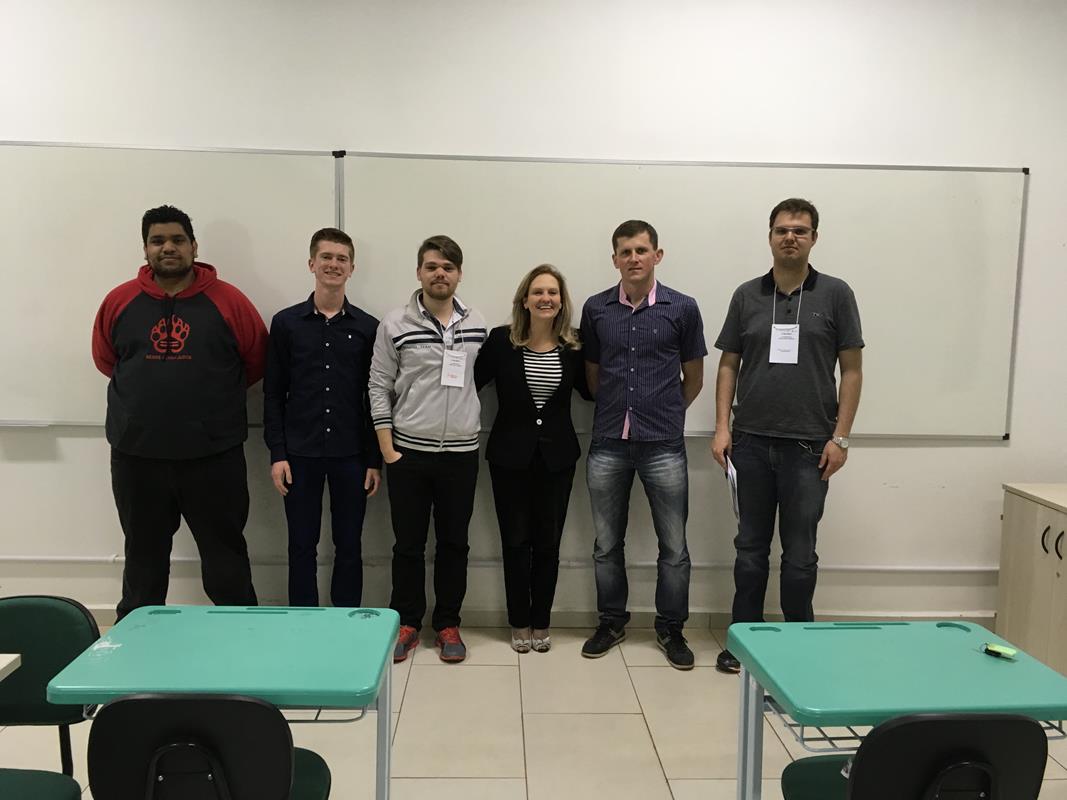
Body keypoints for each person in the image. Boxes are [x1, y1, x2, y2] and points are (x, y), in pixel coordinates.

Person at [92, 204, 267, 620]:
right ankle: (137, 642)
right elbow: (106, 359)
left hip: (213, 456)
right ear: (145, 249)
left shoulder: (229, 301)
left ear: (194, 246)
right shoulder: (119, 301)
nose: (167, 247)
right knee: (143, 559)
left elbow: (256, 360)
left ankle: (243, 641)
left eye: (177, 239)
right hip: (137, 457)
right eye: (157, 241)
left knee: (225, 559)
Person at [711, 198, 864, 673]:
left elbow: (852, 370)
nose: (790, 237)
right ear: (770, 237)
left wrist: (840, 438)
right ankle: (744, 642)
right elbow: (728, 364)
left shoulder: (836, 294)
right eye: (782, 230)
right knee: (750, 550)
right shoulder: (747, 295)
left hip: (809, 448)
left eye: (800, 230)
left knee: (799, 554)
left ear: (814, 238)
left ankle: (801, 646)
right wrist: (722, 427)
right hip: (750, 443)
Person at [579, 220, 707, 670]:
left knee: (673, 546)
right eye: (625, 252)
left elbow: (694, 377)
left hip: (663, 444)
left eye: (641, 250)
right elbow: (593, 376)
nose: (633, 258)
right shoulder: (596, 308)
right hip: (609, 441)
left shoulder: (683, 308)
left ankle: (671, 628)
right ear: (614, 259)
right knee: (605, 544)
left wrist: (666, 412)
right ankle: (611, 621)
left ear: (657, 255)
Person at [369, 235, 487, 663]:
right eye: (432, 266)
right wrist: (388, 450)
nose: (440, 273)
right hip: (409, 454)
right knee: (408, 545)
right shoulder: (395, 324)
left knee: (455, 543)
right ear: (419, 272)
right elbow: (378, 386)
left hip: (461, 454)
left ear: (459, 274)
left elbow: (478, 381)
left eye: (448, 267)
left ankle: (448, 623)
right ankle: (407, 622)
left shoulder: (477, 323)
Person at [474, 264, 592, 654]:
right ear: (524, 299)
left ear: (561, 301)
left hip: (557, 459)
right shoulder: (500, 341)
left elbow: (592, 392)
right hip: (509, 458)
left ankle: (541, 621)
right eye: (538, 292)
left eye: (552, 293)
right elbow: (470, 384)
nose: (545, 298)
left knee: (548, 544)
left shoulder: (575, 345)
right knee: (514, 543)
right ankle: (519, 622)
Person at [263, 227, 382, 608]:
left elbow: (374, 398)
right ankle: (304, 621)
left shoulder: (368, 328)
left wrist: (373, 459)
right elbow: (273, 393)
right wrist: (277, 453)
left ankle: (345, 621)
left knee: (349, 544)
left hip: (351, 454)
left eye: (341, 259)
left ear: (352, 268)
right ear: (311, 263)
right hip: (299, 453)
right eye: (326, 257)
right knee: (301, 544)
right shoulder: (286, 324)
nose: (334, 264)